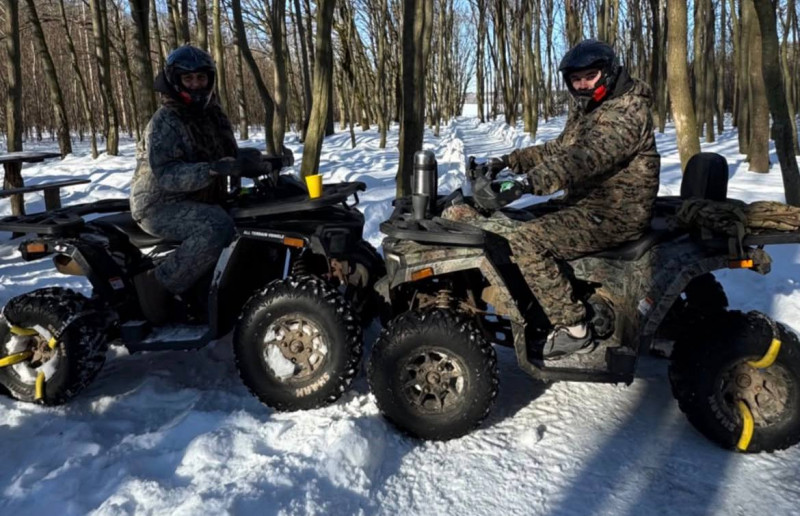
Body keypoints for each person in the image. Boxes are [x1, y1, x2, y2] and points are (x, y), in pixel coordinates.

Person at [444, 39, 661, 358]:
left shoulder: (628, 109)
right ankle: (535, 302)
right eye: (576, 79)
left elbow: (586, 158)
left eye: (591, 75)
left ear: (609, 72)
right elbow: (561, 149)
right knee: (507, 224)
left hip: (615, 213)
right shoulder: (590, 107)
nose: (584, 84)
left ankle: (573, 328)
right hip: (585, 204)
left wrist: (527, 183)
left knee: (529, 243)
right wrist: (508, 162)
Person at [130, 45, 260, 324]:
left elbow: (230, 155)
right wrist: (211, 169)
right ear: (175, 81)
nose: (196, 85)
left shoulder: (213, 115)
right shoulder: (165, 122)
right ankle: (160, 287)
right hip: (159, 204)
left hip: (204, 196)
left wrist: (260, 161)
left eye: (201, 78)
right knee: (215, 226)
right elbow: (167, 174)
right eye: (188, 79)